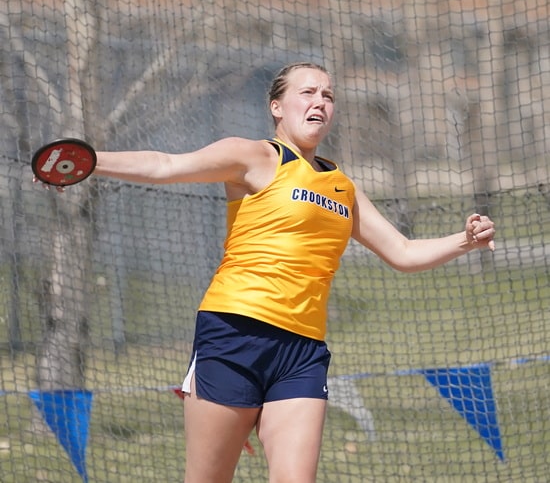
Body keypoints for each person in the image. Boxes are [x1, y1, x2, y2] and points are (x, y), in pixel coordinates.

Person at [38, 62, 496, 482]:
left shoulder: (342, 186)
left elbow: (402, 252)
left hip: (302, 351)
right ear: (277, 106)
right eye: (307, 92)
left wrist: (466, 240)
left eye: (328, 95)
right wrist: (90, 161)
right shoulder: (255, 157)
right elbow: (166, 165)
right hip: (234, 334)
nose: (320, 102)